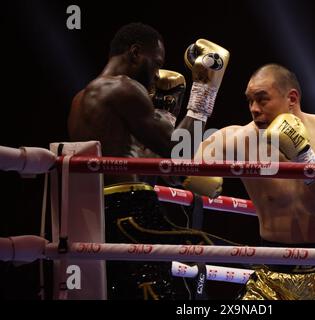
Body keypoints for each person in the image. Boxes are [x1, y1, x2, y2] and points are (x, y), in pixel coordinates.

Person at [67, 23, 230, 299]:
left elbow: (159, 166)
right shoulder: (124, 89)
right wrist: (204, 91)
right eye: (155, 63)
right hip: (129, 209)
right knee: (207, 248)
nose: (156, 74)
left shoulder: (81, 98)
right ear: (134, 53)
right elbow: (180, 153)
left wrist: (166, 116)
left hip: (100, 212)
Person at [196, 64, 315, 300]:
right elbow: (179, 167)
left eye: (262, 99)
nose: (254, 109)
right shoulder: (238, 140)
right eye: (249, 101)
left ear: (292, 98)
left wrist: (304, 157)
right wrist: (202, 94)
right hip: (273, 270)